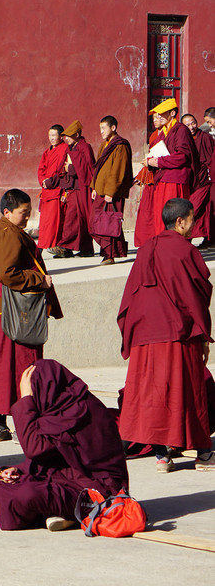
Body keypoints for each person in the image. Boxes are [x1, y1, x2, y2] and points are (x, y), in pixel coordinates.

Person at [117, 197, 215, 473]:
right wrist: (203, 334)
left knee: (155, 395)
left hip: (146, 334)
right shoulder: (184, 251)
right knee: (189, 391)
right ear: (180, 221)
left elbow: (131, 293)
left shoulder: (147, 248)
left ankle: (162, 456)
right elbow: (197, 295)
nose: (193, 227)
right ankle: (204, 454)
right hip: (178, 333)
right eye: (192, 221)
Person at [0, 360, 129, 531]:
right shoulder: (59, 406)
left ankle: (78, 511)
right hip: (66, 476)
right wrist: (20, 469)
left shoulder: (80, 411)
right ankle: (65, 513)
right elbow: (52, 453)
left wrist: (26, 400)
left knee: (27, 495)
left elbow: (33, 448)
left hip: (98, 492)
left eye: (34, 393)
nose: (35, 400)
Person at [0, 188, 62, 442]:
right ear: (7, 212)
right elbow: (7, 274)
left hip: (10, 310)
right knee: (24, 366)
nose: (27, 218)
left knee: (7, 367)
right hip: (17, 311)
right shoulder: (6, 234)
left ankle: (1, 424)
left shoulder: (7, 231)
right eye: (23, 214)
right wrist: (40, 280)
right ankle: (24, 424)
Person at [143, 98, 196, 242]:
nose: (158, 118)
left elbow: (182, 156)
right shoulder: (164, 132)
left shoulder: (180, 129)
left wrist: (157, 161)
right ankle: (163, 244)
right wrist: (150, 161)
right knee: (162, 217)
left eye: (161, 114)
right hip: (163, 178)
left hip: (175, 180)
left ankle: (176, 245)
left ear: (172, 113)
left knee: (175, 217)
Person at [89, 116, 133, 265]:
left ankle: (109, 255)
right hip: (100, 190)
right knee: (96, 222)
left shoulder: (120, 145)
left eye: (104, 128)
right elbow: (98, 168)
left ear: (113, 128)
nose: (101, 131)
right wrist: (94, 186)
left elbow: (118, 171)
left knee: (109, 223)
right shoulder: (104, 145)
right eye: (100, 128)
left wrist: (110, 192)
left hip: (111, 192)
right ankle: (108, 252)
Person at [53, 121, 95, 258]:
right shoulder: (70, 148)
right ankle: (81, 248)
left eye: (69, 136)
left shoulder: (85, 147)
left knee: (80, 218)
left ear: (77, 134)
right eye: (65, 136)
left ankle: (68, 247)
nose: (66, 139)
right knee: (74, 218)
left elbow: (89, 168)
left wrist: (70, 169)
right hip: (73, 188)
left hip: (82, 188)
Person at [184, 114, 215, 249]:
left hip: (204, 179)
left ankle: (206, 239)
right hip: (190, 179)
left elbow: (210, 159)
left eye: (193, 123)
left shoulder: (205, 138)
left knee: (198, 210)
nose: (191, 127)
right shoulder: (184, 139)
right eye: (188, 125)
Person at [36, 125, 67, 251]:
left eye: (54, 136)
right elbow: (41, 169)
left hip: (56, 189)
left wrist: (50, 182)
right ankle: (44, 244)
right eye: (50, 136)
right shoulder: (47, 152)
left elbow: (62, 171)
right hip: (46, 190)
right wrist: (43, 181)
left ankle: (50, 245)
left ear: (61, 136)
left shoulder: (65, 149)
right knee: (45, 222)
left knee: (54, 221)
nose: (52, 138)